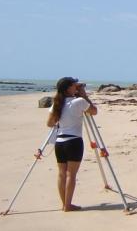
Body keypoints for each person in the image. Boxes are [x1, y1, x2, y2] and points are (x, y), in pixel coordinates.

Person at [47, 77, 97, 212]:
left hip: (60, 142)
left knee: (61, 174)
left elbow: (50, 123)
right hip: (74, 141)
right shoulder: (79, 102)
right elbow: (93, 111)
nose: (77, 87)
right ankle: (68, 206)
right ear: (69, 88)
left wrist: (63, 120)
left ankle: (64, 204)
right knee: (71, 175)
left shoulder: (57, 103)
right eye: (75, 85)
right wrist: (84, 96)